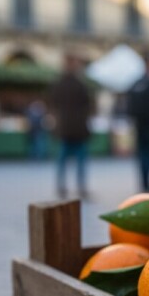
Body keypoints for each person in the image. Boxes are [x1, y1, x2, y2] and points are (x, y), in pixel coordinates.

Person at [49, 54, 93, 199]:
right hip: (73, 129)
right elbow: (88, 105)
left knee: (66, 161)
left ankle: (67, 188)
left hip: (67, 129)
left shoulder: (60, 83)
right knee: (73, 161)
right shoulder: (79, 84)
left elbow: (52, 103)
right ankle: (74, 188)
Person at [127, 52, 149, 192]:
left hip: (139, 125)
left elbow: (129, 106)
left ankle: (144, 182)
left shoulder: (135, 84)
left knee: (142, 155)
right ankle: (147, 182)